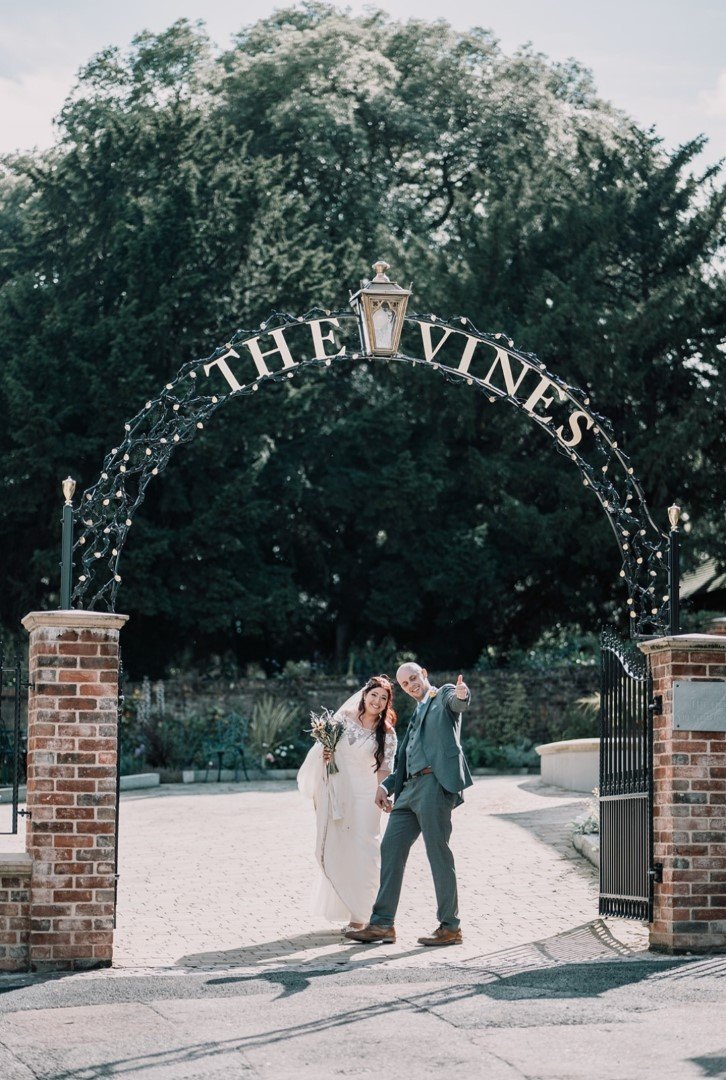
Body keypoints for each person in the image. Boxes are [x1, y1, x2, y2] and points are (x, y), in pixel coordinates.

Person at [345, 662, 472, 946]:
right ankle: (382, 924)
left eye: (414, 678)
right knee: (390, 848)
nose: (411, 685)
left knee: (437, 852)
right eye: (405, 683)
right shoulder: (416, 712)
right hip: (408, 789)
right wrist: (386, 786)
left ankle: (450, 927)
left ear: (424, 674)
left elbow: (458, 702)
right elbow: (404, 757)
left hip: (434, 786)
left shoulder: (444, 695)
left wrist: (463, 694)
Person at [297, 675, 397, 930]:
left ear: (387, 704)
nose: (377, 701)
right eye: (374, 695)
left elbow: (384, 769)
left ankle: (364, 915)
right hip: (340, 793)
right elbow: (326, 755)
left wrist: (383, 793)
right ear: (365, 694)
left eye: (383, 698)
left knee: (365, 852)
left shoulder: (386, 732)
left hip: (367, 798)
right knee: (338, 848)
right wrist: (327, 755)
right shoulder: (342, 720)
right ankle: (350, 905)